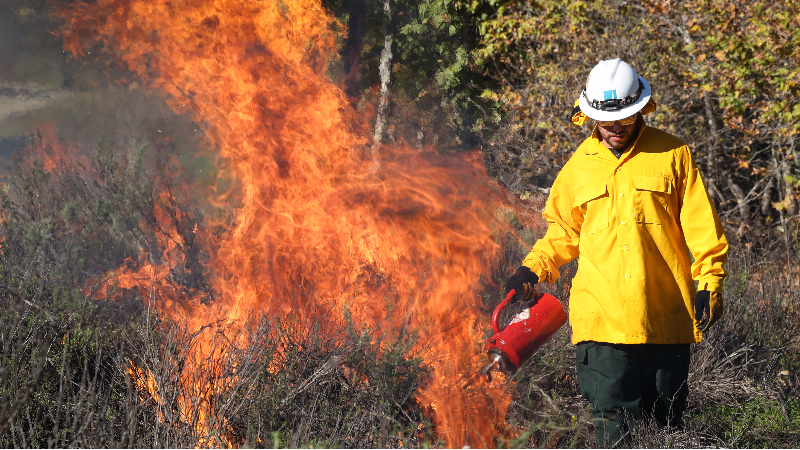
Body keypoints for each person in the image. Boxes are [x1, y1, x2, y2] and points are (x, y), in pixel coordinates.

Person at [505, 58, 728, 447]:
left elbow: (702, 229)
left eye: (623, 120)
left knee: (666, 429)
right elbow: (563, 233)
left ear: (641, 108)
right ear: (591, 116)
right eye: (607, 122)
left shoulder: (674, 155)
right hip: (601, 320)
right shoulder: (578, 168)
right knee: (613, 429)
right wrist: (531, 270)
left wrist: (708, 283)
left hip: (665, 316)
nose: (614, 129)